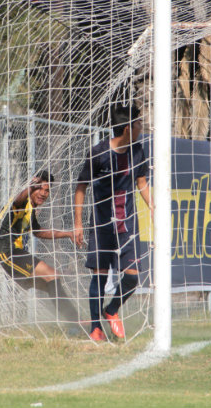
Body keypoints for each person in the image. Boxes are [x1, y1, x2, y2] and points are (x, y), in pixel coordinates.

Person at [74, 104, 153, 341]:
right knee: (99, 276)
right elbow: (81, 187)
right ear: (128, 128)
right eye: (139, 123)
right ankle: (95, 327)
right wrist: (78, 223)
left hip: (126, 226)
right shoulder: (98, 152)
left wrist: (155, 206)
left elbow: (142, 183)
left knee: (132, 277)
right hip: (101, 226)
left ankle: (112, 310)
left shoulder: (138, 151)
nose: (142, 126)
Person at [0, 170, 83, 331]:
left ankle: (74, 324)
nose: (43, 193)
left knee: (51, 284)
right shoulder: (22, 203)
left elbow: (38, 231)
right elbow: (18, 200)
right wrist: (29, 188)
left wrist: (68, 233)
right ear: (32, 189)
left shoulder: (31, 209)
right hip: (7, 253)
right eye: (39, 188)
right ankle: (75, 322)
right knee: (52, 275)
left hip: (14, 253)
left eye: (47, 190)